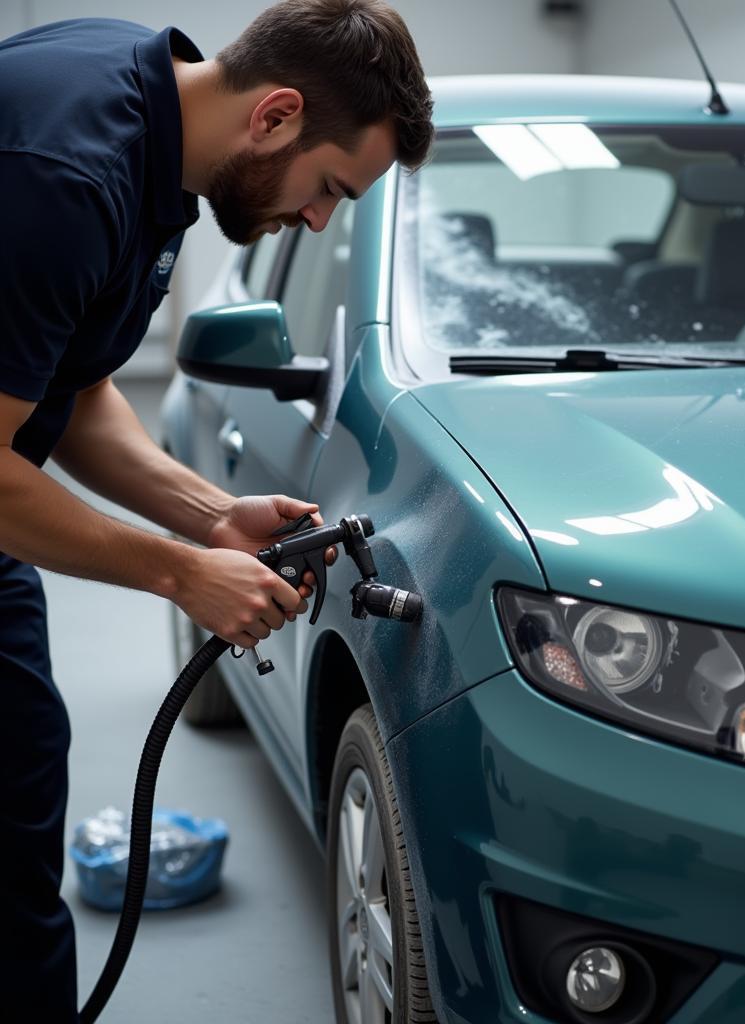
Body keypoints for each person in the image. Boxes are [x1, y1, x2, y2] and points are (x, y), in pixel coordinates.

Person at [0, 1, 433, 1018]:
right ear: (275, 116)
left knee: (21, 783)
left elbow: (62, 385)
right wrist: (180, 572)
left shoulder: (146, 111)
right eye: (330, 189)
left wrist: (208, 516)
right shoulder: (69, 177)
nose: (321, 220)